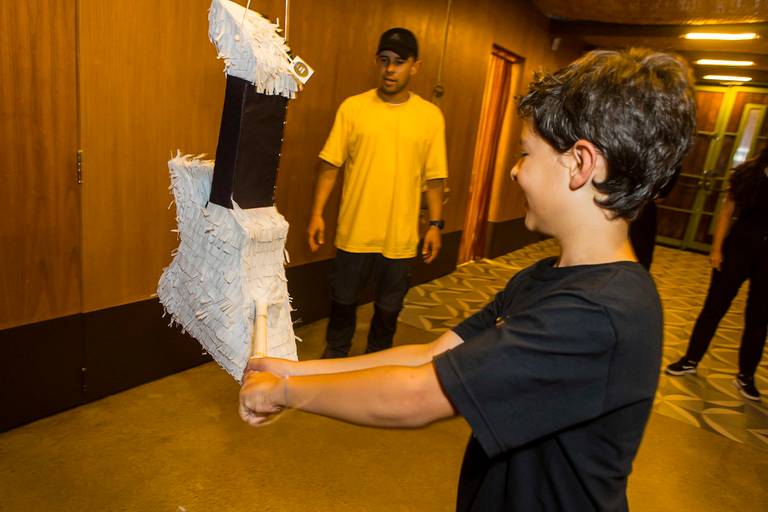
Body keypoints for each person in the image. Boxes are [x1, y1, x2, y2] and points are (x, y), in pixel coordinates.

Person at [240, 48, 696, 511]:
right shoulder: (545, 277)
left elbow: (418, 396)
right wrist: (287, 370)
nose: (515, 170)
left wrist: (284, 393)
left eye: (525, 153)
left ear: (580, 164)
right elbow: (431, 354)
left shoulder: (600, 313)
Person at [307, 27, 448, 358]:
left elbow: (435, 178)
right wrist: (316, 214)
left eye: (399, 62)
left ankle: (376, 362)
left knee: (388, 311)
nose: (390, 69)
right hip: (354, 232)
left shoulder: (430, 117)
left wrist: (435, 226)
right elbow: (330, 166)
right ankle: (335, 358)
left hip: (400, 238)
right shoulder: (353, 108)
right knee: (342, 303)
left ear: (415, 66)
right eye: (384, 60)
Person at [666, 145, 768, 401]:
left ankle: (746, 375)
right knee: (714, 307)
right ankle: (690, 359)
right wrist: (716, 249)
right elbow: (727, 211)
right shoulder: (748, 174)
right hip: (738, 249)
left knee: (758, 319)